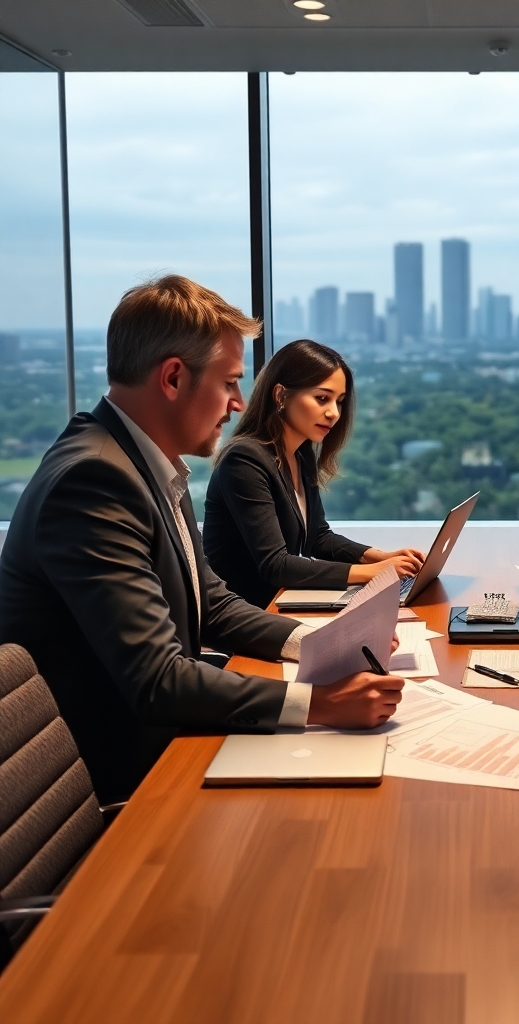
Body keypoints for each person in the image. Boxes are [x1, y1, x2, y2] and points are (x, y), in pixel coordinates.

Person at [0, 276, 404, 803]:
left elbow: (210, 603)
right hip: (122, 776)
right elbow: (158, 680)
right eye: (230, 382)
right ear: (172, 377)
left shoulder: (149, 461)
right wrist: (321, 703)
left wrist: (324, 646)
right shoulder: (94, 480)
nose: (239, 403)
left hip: (164, 744)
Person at [203, 340, 424, 610]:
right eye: (322, 398)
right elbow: (276, 565)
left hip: (281, 605)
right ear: (281, 395)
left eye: (339, 402)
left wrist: (380, 557)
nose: (333, 413)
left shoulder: (300, 454)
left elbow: (319, 538)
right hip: (247, 615)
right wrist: (376, 572)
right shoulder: (244, 460)